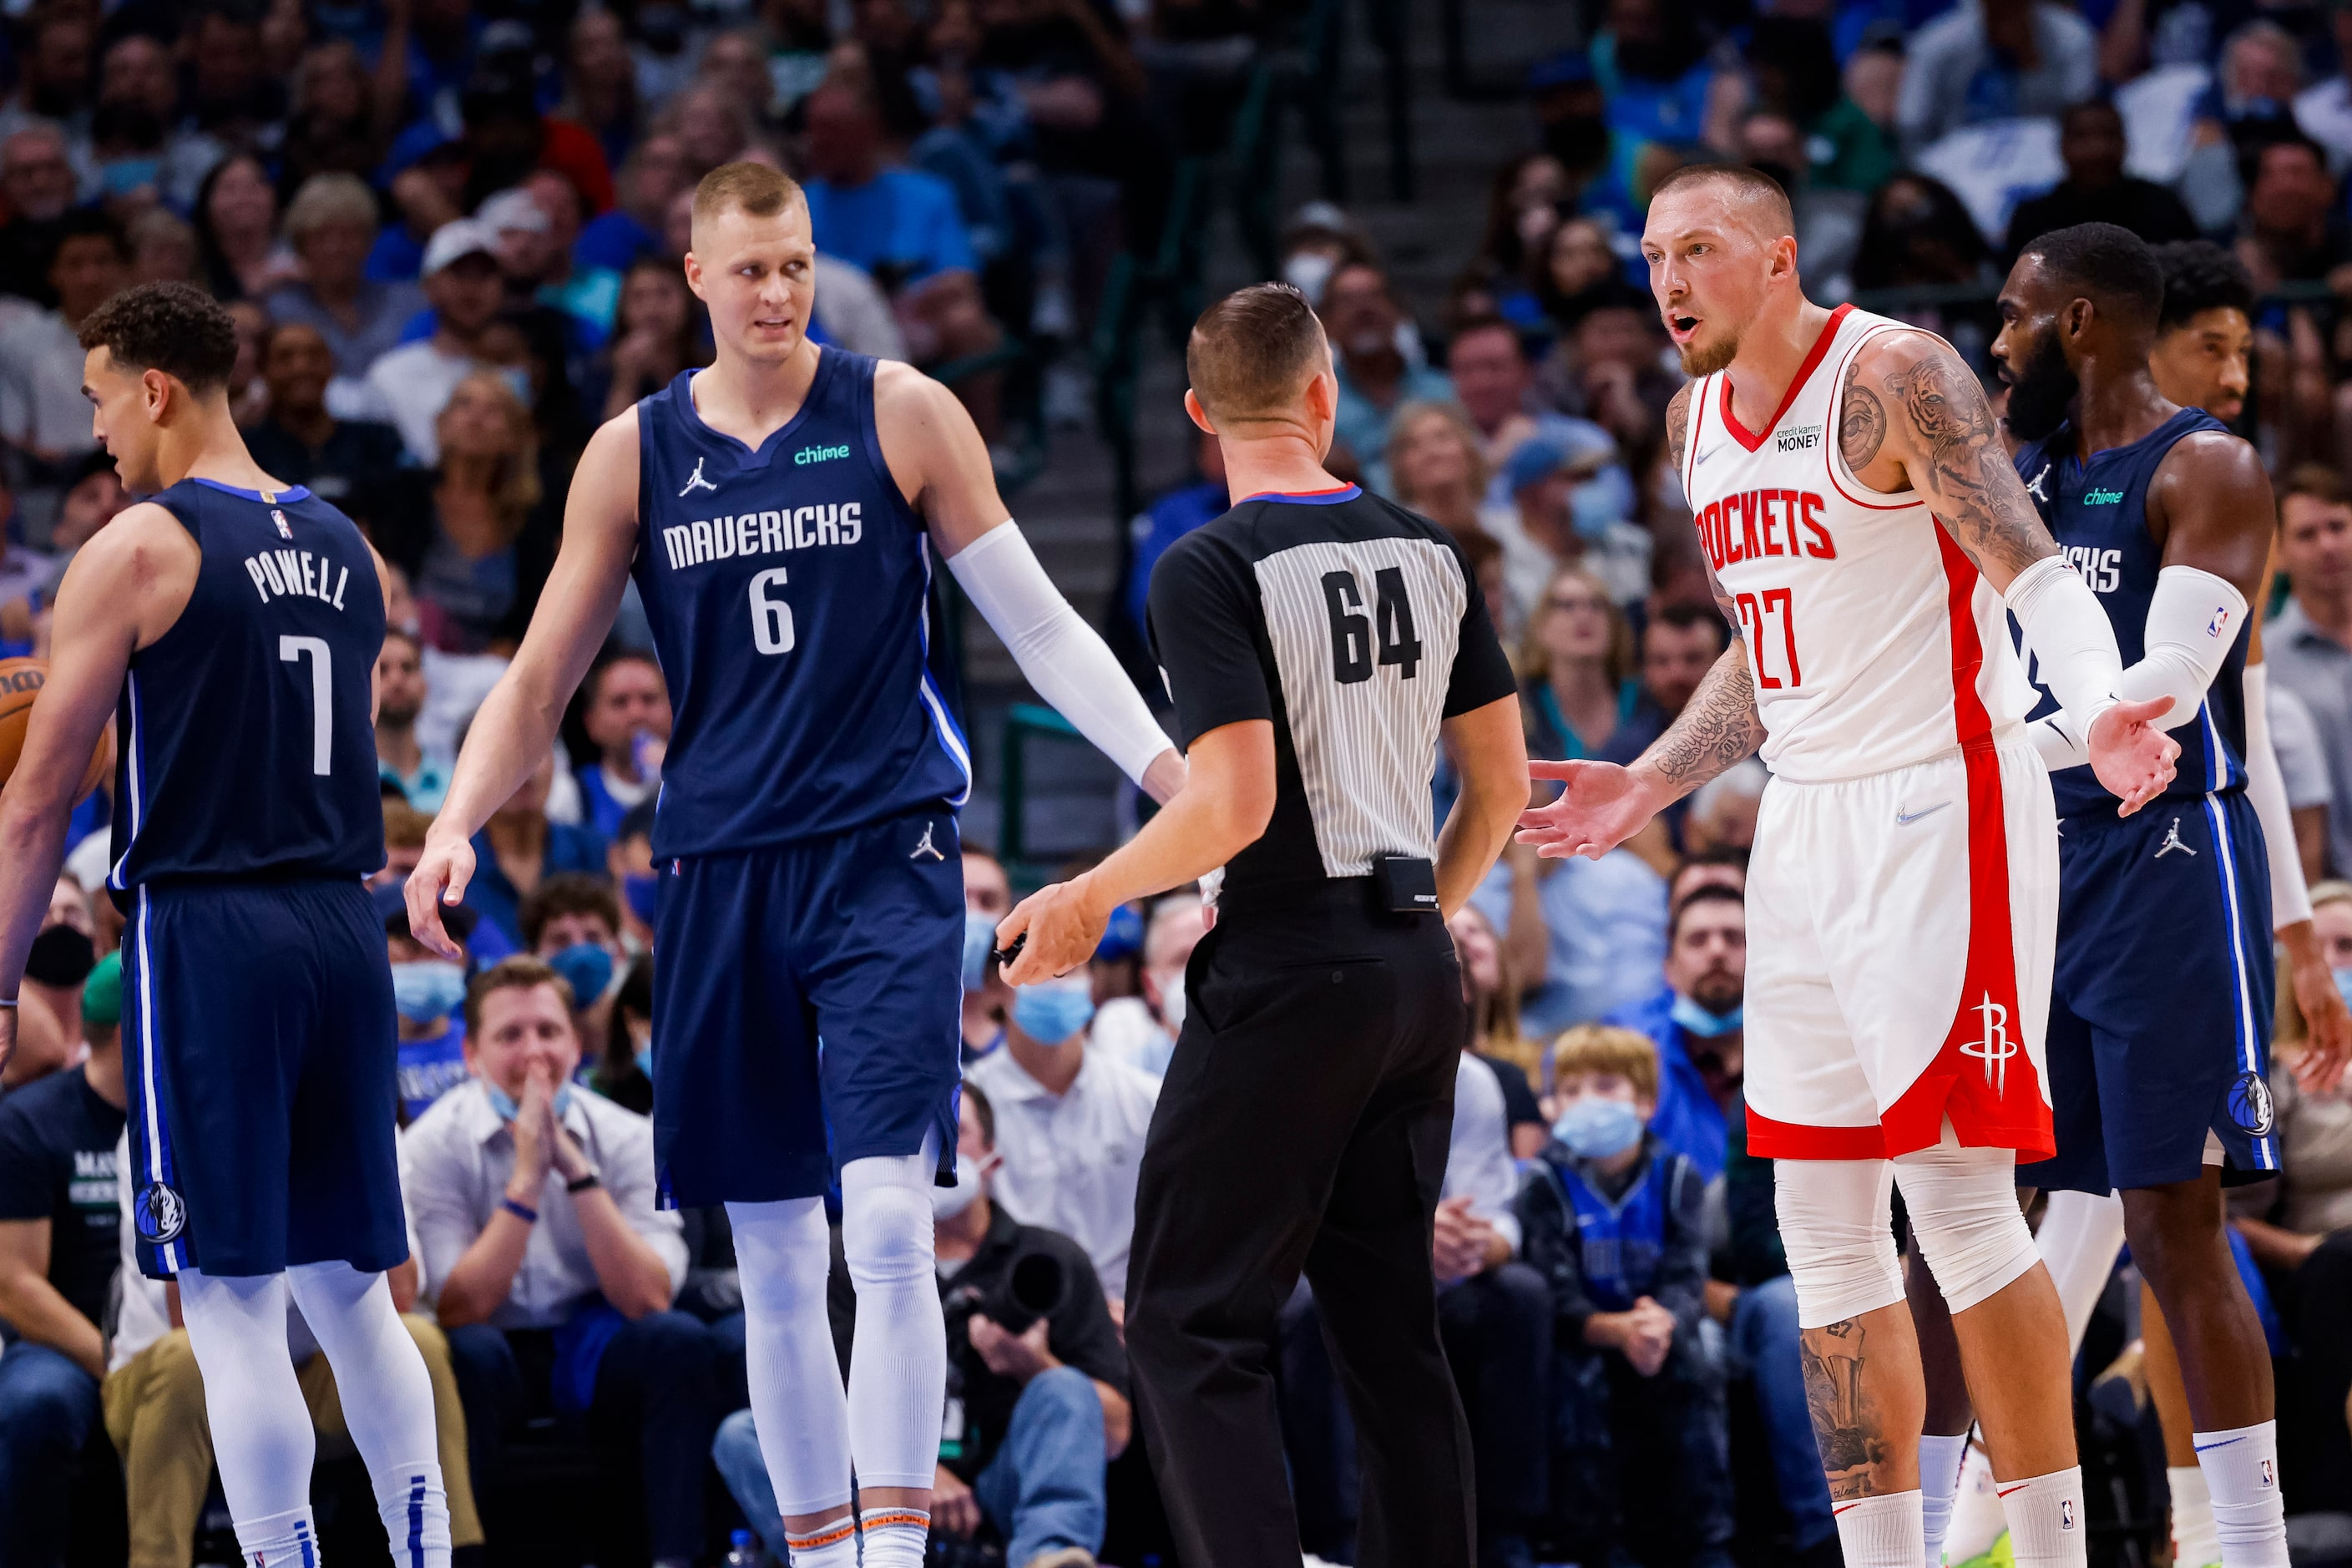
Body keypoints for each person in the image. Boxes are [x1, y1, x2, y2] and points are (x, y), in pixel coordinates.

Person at [405, 160, 1181, 1568]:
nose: (775, 291)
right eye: (747, 267)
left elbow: (1046, 627)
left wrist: (1170, 773)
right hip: (717, 866)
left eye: (797, 264)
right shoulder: (633, 452)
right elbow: (533, 685)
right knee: (769, 1248)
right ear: (691, 279)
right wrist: (455, 817)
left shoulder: (901, 410)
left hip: (883, 851)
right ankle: (823, 1553)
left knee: (886, 1217)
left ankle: (887, 1557)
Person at [1516, 164, 2178, 1568]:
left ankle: (2046, 1551)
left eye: (1697, 249)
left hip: (1945, 800)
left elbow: (2024, 556)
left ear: (1776, 257)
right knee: (1820, 1214)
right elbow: (1771, 648)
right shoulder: (1696, 424)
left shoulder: (1890, 371)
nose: (1667, 282)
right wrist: (1648, 777)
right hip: (1800, 820)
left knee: (1953, 1194)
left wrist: (2101, 697)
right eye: (1650, 257)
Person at [996, 281, 1528, 1568]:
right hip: (1415, 963)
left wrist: (1088, 894)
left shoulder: (1206, 564)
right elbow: (1500, 786)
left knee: (1185, 1321)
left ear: (1197, 415)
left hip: (1289, 963)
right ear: (1324, 395)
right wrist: (1415, 928)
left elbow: (1232, 802)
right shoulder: (1428, 545)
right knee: (1391, 1332)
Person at [1904, 220, 2352, 1568]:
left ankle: (2242, 1541)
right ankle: (1950, 1525)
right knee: (1965, 1207)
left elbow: (2173, 679)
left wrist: (2291, 931)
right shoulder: (2016, 469)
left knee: (2171, 1217)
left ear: (2082, 323)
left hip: (2158, 865)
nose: (1995, 338)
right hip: (2023, 864)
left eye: (2013, 315)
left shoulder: (2205, 465)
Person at [0, 281, 454, 1568]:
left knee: (231, 1298)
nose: (95, 435)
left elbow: (36, 806)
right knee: (352, 1291)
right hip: (340, 921)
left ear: (154, 390)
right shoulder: (349, 543)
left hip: (211, 929)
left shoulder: (138, 547)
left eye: (97, 402)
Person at [713, 1085, 1131, 1568]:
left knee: (1064, 1387)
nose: (935, 1153)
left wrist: (1031, 1364)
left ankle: (1050, 1555)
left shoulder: (1048, 1260)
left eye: (957, 1133)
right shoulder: (838, 1259)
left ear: (994, 1157)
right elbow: (816, 1402)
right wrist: (913, 1476)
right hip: (867, 1494)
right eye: (920, 1138)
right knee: (743, 1434)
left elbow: (1115, 1431)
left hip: (997, 1488)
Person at [403, 956, 719, 1566]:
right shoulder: (434, 1146)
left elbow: (649, 1297)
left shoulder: (625, 1135)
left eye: (548, 1032)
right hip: (491, 1347)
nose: (533, 1052)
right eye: (510, 1035)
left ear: (576, 1044)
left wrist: (574, 1170)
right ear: (471, 1054)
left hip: (592, 1337)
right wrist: (525, 1181)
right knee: (463, 1353)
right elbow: (459, 1304)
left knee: (678, 1341)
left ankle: (675, 1559)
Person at [1519, 1024, 1732, 1568]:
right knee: (1571, 1379)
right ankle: (1589, 1546)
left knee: (1700, 1354)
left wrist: (1658, 1324)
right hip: (1583, 1332)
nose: (1585, 1102)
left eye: (1605, 1086)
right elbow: (1552, 1288)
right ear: (1551, 1105)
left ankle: (1704, 1541)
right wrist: (1613, 1331)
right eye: (1570, 1090)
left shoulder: (1676, 1175)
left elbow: (1687, 1277)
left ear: (1645, 1102)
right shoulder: (1543, 1182)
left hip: (1659, 1328)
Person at [0, 952, 127, 1565]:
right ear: (138, 1028)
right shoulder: (31, 1122)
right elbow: (16, 1286)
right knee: (34, 1403)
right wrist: (116, 1362)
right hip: (66, 1343)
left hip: (194, 1332)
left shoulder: (201, 1115)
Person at [966, 965, 1160, 1308]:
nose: (1054, 981)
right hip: (1012, 1318)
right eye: (1034, 968)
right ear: (998, 985)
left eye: (1068, 967)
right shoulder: (965, 1114)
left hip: (1134, 1319)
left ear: (1093, 980)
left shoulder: (1148, 1100)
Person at [1603, 883, 1747, 1180]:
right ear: (1668, 967)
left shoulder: (1802, 1050)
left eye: (1734, 939)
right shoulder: (1627, 1049)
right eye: (1697, 940)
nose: (1717, 951)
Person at [263, 173, 428, 395]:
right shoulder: (279, 310)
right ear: (300, 245)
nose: (335, 247)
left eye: (348, 235)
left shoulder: (409, 301)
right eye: (321, 236)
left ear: (369, 241)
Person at [362, 219, 508, 465]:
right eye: (458, 273)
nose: (472, 288)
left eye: (484, 274)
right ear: (429, 285)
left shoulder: (515, 376)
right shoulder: (389, 376)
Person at [2267, 465, 2352, 879]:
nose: (2328, 545)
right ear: (2278, 555)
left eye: (2338, 526)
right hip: (2324, 897)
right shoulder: (2263, 665)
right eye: (2307, 534)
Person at [243, 322, 407, 530]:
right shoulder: (246, 451)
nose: (301, 367)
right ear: (263, 370)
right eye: (285, 357)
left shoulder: (379, 441)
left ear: (332, 365)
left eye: (314, 355)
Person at [2003, 101, 2198, 260]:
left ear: (2125, 142)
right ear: (2062, 146)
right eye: (2082, 136)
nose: (2097, 149)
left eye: (2108, 134)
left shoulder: (2163, 207)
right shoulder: (2033, 221)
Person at [1597, 603, 1730, 766]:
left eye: (1693, 658)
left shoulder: (1763, 733)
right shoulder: (1630, 749)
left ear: (1725, 663)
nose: (1677, 674)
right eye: (1662, 661)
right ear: (1644, 670)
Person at [389, 903, 473, 1124]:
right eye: (412, 946)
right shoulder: (361, 1055)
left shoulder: (486, 1044)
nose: (428, 958)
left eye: (442, 946)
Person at [575, 651, 671, 837]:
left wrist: (678, 779)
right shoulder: (569, 795)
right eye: (620, 702)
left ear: (673, 711)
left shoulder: (702, 785)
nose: (637, 714)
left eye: (649, 699)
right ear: (591, 722)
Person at [377, 627, 452, 811]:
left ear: (425, 686)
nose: (396, 679)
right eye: (382, 670)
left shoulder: (456, 787)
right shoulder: (346, 785)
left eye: (407, 668)